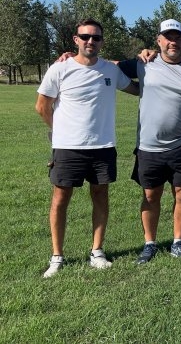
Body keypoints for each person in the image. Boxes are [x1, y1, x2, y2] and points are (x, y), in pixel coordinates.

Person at [35, 19, 138, 277]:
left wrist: (149, 62)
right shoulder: (60, 69)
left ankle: (97, 252)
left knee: (100, 195)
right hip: (67, 147)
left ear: (102, 41)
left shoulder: (110, 70)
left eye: (96, 38)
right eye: (85, 37)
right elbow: (42, 106)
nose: (90, 41)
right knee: (60, 200)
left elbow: (136, 88)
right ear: (76, 39)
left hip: (103, 145)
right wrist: (58, 132)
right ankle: (57, 257)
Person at [118, 19, 181, 264]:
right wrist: (71, 56)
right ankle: (149, 244)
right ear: (159, 40)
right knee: (151, 195)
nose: (173, 41)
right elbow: (106, 66)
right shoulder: (143, 64)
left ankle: (178, 241)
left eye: (178, 37)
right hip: (148, 145)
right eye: (168, 37)